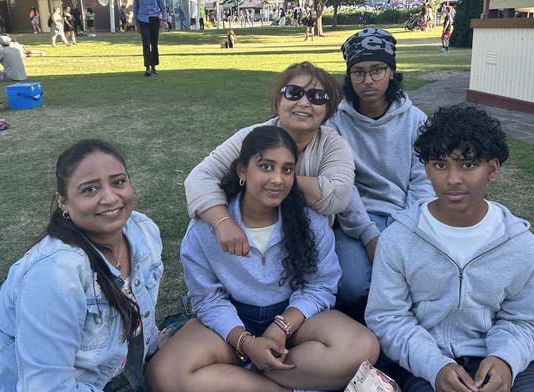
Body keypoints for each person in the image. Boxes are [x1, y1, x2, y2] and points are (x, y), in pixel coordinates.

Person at [147, 126, 379, 392]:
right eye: (266, 167)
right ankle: (275, 386)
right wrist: (246, 342)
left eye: (287, 169)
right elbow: (208, 299)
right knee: (163, 373)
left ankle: (244, 374)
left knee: (363, 346)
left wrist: (280, 328)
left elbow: (320, 286)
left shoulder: (310, 223)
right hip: (230, 320)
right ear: (242, 170)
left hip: (294, 320)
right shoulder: (207, 227)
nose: (278, 179)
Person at [366, 105, 534, 392]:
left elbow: (526, 321)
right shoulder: (397, 239)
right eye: (441, 165)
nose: (453, 179)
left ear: (491, 169)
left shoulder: (522, 246)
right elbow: (387, 317)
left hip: (496, 362)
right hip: (424, 364)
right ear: (427, 169)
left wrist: (505, 360)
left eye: (468, 165)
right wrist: (435, 366)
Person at [0, 139, 165, 392]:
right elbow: (47, 387)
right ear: (63, 202)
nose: (110, 197)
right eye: (89, 189)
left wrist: (153, 350)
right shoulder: (55, 272)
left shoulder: (142, 231)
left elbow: (139, 309)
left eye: (118, 182)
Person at [184, 61, 354, 259]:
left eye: (317, 97)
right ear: (279, 100)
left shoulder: (334, 145)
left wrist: (273, 178)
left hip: (307, 240)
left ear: (328, 109)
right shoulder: (252, 136)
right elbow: (199, 177)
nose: (304, 103)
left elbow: (337, 198)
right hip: (248, 235)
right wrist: (223, 222)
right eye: (293, 93)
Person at [326, 28, 434, 321]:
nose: (368, 80)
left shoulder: (416, 120)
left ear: (392, 72)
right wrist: (371, 237)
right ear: (349, 77)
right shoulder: (335, 122)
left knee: (423, 282)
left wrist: (406, 228)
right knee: (352, 287)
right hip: (357, 220)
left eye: (377, 70)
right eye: (358, 72)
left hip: (407, 217)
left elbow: (423, 180)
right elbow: (343, 187)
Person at [133, 0, 166, 76]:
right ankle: (147, 67)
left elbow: (162, 6)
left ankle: (154, 66)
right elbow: (135, 8)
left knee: (154, 43)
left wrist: (164, 19)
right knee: (146, 43)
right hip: (142, 20)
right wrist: (135, 23)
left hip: (154, 19)